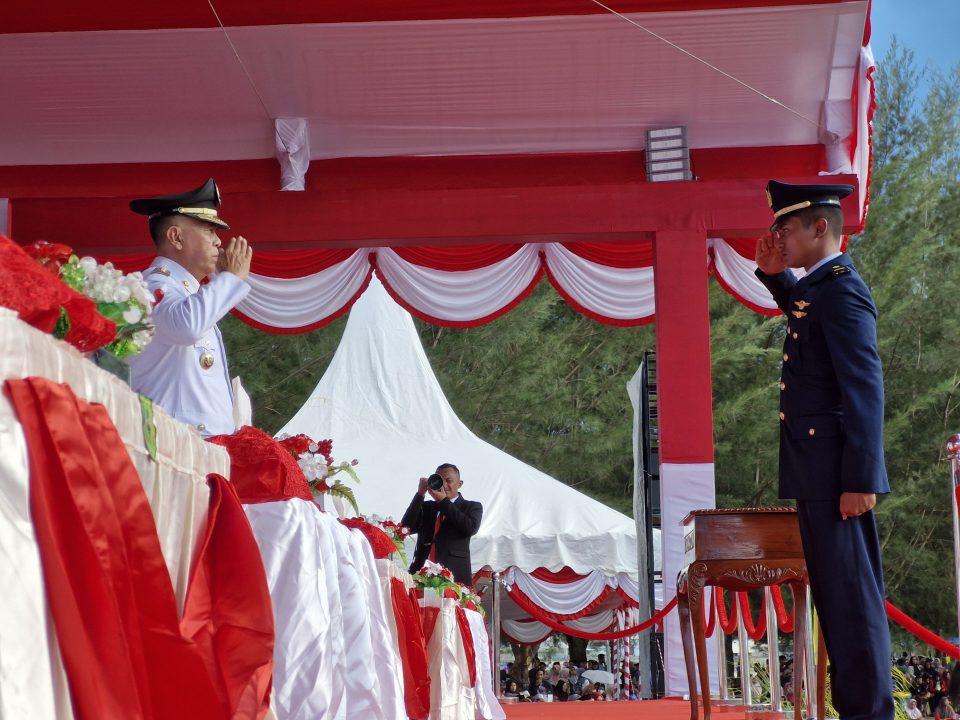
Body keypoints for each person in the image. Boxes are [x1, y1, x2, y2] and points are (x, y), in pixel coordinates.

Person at [754, 180, 893, 720]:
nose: (778, 237)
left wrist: (862, 479)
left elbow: (865, 386)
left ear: (819, 228)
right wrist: (774, 276)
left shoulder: (842, 289)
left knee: (853, 607)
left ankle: (871, 713)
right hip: (819, 472)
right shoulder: (820, 287)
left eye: (785, 228)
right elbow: (802, 308)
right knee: (838, 605)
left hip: (839, 476)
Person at [127, 178, 252, 437]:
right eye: (209, 231)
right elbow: (187, 327)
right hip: (173, 446)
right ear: (176, 236)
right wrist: (229, 280)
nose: (218, 242)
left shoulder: (187, 293)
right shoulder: (152, 285)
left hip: (198, 448)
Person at [400, 463, 483, 585]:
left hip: (454, 576)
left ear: (459, 484)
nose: (444, 485)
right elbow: (405, 528)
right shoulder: (428, 506)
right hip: (421, 573)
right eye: (440, 480)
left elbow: (470, 528)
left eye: (448, 481)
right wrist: (420, 494)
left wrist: (443, 501)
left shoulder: (472, 506)